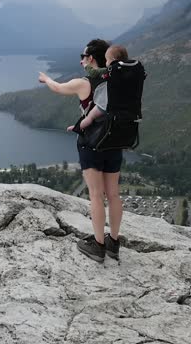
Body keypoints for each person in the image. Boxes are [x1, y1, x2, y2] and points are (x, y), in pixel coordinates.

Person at [38, 39, 124, 263]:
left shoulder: (84, 84)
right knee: (113, 194)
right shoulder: (120, 81)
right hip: (115, 142)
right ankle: (114, 242)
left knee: (96, 195)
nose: (81, 60)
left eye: (83, 57)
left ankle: (98, 246)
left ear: (91, 59)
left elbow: (57, 88)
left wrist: (46, 79)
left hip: (92, 143)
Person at [75, 45, 130, 131]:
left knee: (90, 117)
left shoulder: (110, 69)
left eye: (107, 60)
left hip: (107, 103)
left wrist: (85, 65)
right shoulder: (128, 70)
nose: (106, 63)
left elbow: (93, 73)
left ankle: (77, 128)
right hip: (123, 104)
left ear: (113, 60)